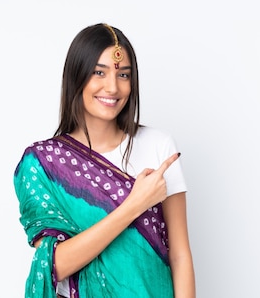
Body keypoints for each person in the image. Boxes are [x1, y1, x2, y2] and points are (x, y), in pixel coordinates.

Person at [13, 23, 195, 298]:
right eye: (99, 72)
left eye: (124, 75)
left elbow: (180, 255)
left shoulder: (159, 146)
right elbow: (56, 264)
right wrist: (134, 205)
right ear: (77, 76)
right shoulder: (42, 164)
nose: (113, 87)